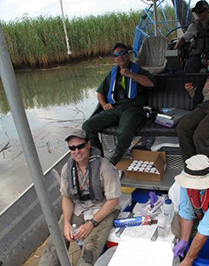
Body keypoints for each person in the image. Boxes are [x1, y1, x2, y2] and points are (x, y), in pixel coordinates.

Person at [39, 128, 121, 266]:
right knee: (55, 244)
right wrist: (66, 224)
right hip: (79, 207)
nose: (76, 151)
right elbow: (66, 197)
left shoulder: (105, 167)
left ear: (88, 144)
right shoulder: (67, 169)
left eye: (80, 146)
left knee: (90, 249)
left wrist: (91, 224)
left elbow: (113, 200)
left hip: (104, 208)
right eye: (72, 147)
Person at [82, 43, 156, 165]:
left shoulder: (138, 70)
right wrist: (104, 104)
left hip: (133, 109)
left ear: (128, 55)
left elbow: (151, 83)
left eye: (122, 53)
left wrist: (130, 74)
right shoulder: (112, 74)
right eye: (116, 55)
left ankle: (114, 160)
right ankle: (99, 159)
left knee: (124, 132)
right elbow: (100, 92)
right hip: (115, 108)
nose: (120, 56)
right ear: (114, 59)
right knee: (87, 126)